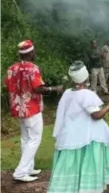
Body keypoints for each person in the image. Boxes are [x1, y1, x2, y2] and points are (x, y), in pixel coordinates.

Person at [47, 61, 109, 192]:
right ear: (85, 77)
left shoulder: (68, 93)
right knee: (87, 164)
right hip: (87, 138)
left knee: (71, 166)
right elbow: (96, 115)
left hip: (69, 136)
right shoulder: (86, 94)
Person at [4, 40, 64, 182]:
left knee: (25, 139)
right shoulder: (32, 68)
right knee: (34, 139)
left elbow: (8, 85)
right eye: (34, 51)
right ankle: (20, 173)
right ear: (30, 53)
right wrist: (54, 89)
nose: (35, 53)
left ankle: (28, 168)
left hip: (19, 108)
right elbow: (38, 88)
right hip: (32, 109)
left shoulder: (12, 68)